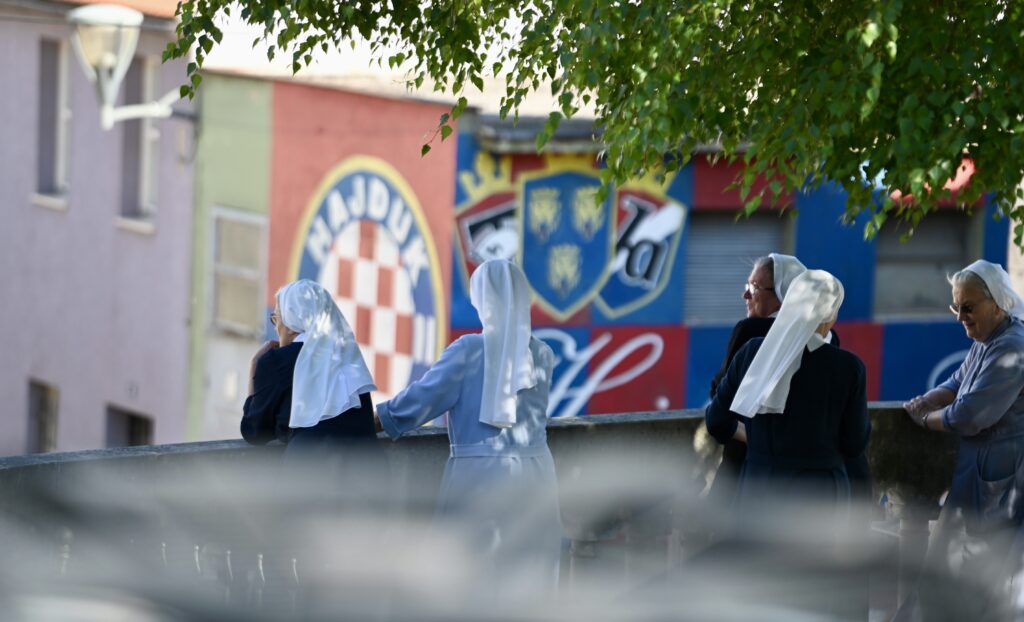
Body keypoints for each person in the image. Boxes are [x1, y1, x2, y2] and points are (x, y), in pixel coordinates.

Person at [375, 259, 562, 596]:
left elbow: (421, 400)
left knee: (471, 579)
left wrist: (379, 416)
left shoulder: (468, 350)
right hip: (537, 473)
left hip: (479, 477)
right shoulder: (543, 353)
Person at [900, 260, 1024, 619]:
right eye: (956, 307)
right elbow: (958, 381)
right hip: (979, 475)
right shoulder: (990, 337)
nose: (960, 317)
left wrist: (926, 419)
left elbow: (969, 415)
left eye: (968, 307)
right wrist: (928, 398)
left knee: (973, 576)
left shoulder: (1012, 347)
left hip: (999, 482)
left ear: (997, 303)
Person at [705, 269, 870, 518]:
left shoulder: (751, 353)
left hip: (757, 492)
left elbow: (716, 421)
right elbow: (854, 443)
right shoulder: (848, 367)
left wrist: (759, 442)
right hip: (821, 497)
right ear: (829, 314)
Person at [241, 279, 378, 452]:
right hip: (368, 465)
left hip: (311, 466)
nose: (276, 328)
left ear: (291, 325)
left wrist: (254, 365)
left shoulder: (275, 361)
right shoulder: (347, 358)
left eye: (276, 318)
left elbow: (254, 431)